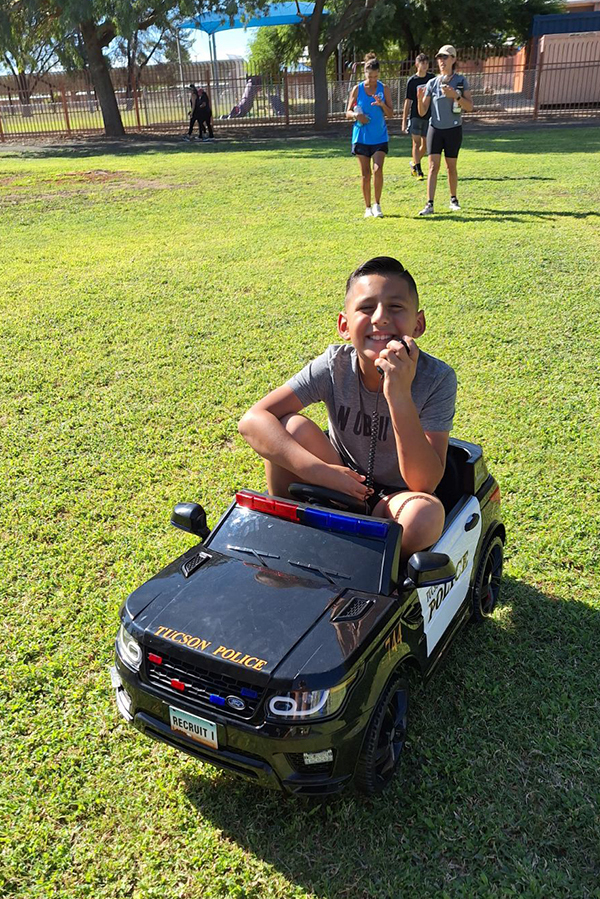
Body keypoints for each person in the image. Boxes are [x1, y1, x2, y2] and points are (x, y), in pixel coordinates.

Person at [238, 256, 457, 561]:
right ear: (344, 325)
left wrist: (398, 394)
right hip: (336, 480)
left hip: (394, 500)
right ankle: (290, 538)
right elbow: (252, 420)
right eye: (366, 308)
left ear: (417, 324)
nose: (380, 318)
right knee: (289, 427)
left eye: (395, 307)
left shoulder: (437, 378)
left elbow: (424, 483)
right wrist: (324, 473)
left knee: (425, 516)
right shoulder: (334, 365)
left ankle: (380, 568)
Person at [416, 45, 474, 215]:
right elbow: (422, 111)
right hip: (435, 129)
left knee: (451, 167)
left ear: (453, 59)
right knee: (433, 166)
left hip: (453, 129)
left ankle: (453, 199)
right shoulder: (432, 83)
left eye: (446, 57)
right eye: (440, 57)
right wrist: (419, 99)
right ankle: (429, 204)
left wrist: (455, 96)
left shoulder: (461, 81)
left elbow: (469, 107)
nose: (442, 61)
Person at [346, 54, 394, 218]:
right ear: (364, 73)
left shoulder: (384, 88)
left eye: (375, 76)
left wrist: (382, 105)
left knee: (378, 169)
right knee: (366, 174)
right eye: (370, 76)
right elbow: (347, 112)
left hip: (379, 137)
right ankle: (367, 208)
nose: (373, 79)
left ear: (379, 74)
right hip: (361, 137)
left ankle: (377, 204)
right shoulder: (357, 89)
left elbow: (391, 114)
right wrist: (356, 116)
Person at [401, 54, 435, 181]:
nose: (424, 65)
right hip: (415, 115)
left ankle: (414, 163)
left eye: (426, 63)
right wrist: (404, 121)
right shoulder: (412, 81)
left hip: (428, 115)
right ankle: (419, 170)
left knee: (425, 145)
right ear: (417, 64)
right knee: (416, 143)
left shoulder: (432, 78)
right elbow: (408, 101)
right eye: (422, 63)